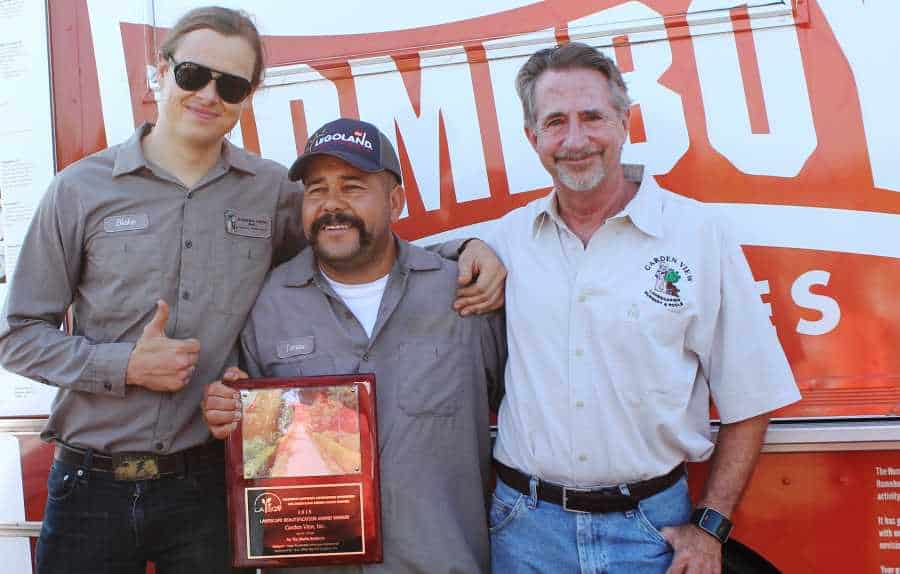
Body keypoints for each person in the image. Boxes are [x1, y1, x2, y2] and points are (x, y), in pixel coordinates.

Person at [0, 7, 503, 574]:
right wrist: (124, 365)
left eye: (231, 85)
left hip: (205, 486)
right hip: (90, 485)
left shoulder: (271, 190)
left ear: (248, 97)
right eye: (193, 74)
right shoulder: (78, 190)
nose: (208, 95)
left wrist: (461, 251)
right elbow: (16, 337)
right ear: (160, 72)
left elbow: (351, 240)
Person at [484, 42, 802, 573]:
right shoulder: (507, 240)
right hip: (525, 533)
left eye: (592, 117)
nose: (576, 139)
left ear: (624, 122)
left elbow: (752, 396)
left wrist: (711, 527)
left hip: (652, 532)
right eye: (556, 122)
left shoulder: (698, 234)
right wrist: (468, 248)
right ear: (532, 137)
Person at [202, 118, 507, 574]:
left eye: (352, 187)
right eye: (317, 190)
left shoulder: (463, 295)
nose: (332, 205)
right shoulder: (266, 304)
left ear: (395, 201)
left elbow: (527, 411)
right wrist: (225, 410)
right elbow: (246, 432)